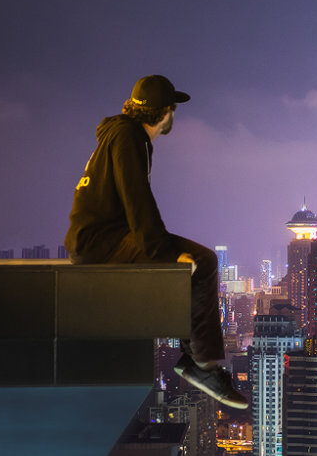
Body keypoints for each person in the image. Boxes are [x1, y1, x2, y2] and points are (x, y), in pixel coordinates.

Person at [65, 74, 247, 409]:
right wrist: (164, 253)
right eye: (172, 109)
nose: (173, 116)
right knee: (203, 262)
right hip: (102, 241)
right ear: (164, 113)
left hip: (103, 236)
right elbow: (137, 200)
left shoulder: (121, 133)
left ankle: (198, 360)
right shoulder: (128, 137)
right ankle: (202, 366)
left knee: (199, 259)